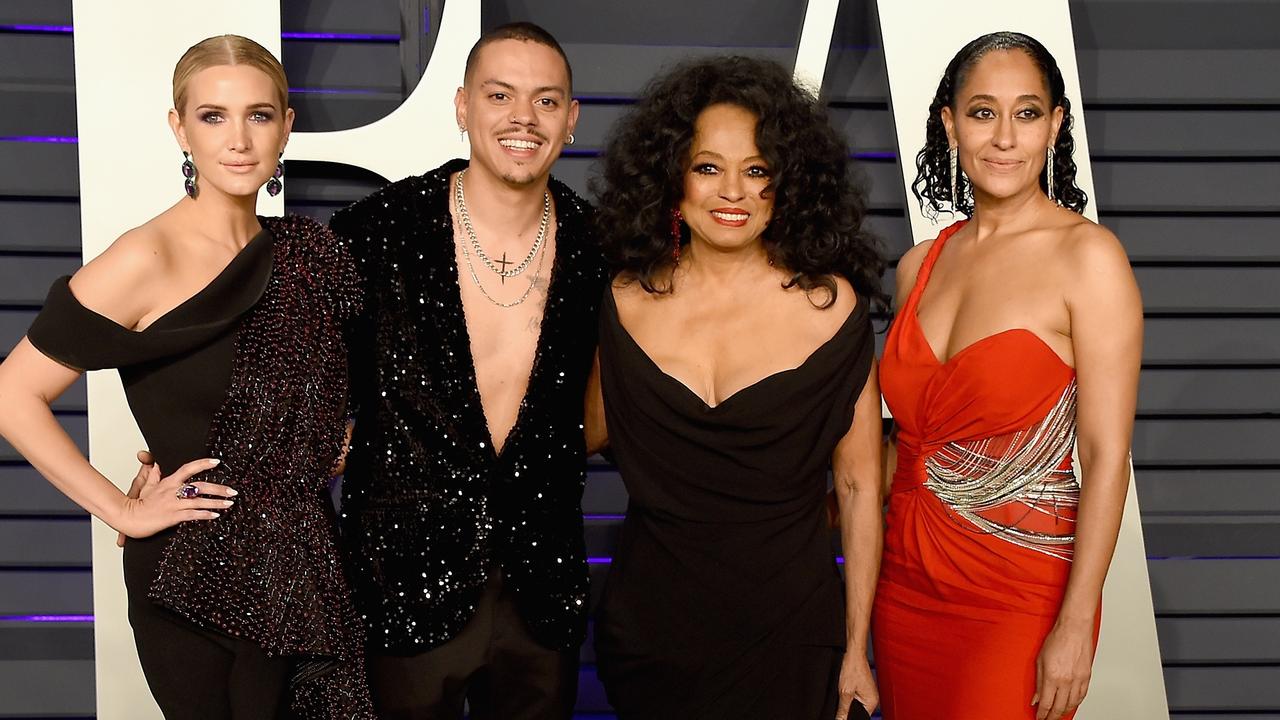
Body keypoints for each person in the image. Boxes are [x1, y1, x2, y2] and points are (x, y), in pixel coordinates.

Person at [0, 35, 373, 719]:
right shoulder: (144, 257)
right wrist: (122, 507)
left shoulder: (312, 254)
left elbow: (329, 384)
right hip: (192, 576)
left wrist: (330, 434)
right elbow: (11, 394)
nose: (238, 139)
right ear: (179, 129)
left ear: (286, 127)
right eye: (212, 116)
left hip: (307, 564)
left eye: (259, 115)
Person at [586, 55, 886, 720]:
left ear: (787, 185)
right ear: (672, 180)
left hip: (793, 637)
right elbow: (580, 433)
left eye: (756, 171)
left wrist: (857, 648)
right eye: (707, 167)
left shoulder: (833, 307)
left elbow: (862, 489)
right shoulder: (619, 300)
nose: (733, 191)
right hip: (651, 637)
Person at [328, 22, 607, 720]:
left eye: (546, 101)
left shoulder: (602, 247)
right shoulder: (377, 231)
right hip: (401, 579)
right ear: (461, 106)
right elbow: (292, 369)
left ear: (570, 121)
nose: (523, 118)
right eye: (500, 95)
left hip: (541, 589)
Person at [872, 31, 1142, 720]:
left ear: (1054, 126)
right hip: (902, 588)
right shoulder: (919, 265)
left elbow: (1107, 457)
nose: (1003, 137)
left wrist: (1077, 624)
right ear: (949, 122)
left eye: (1026, 113)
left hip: (1018, 597)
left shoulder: (1089, 259)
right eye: (983, 111)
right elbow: (899, 443)